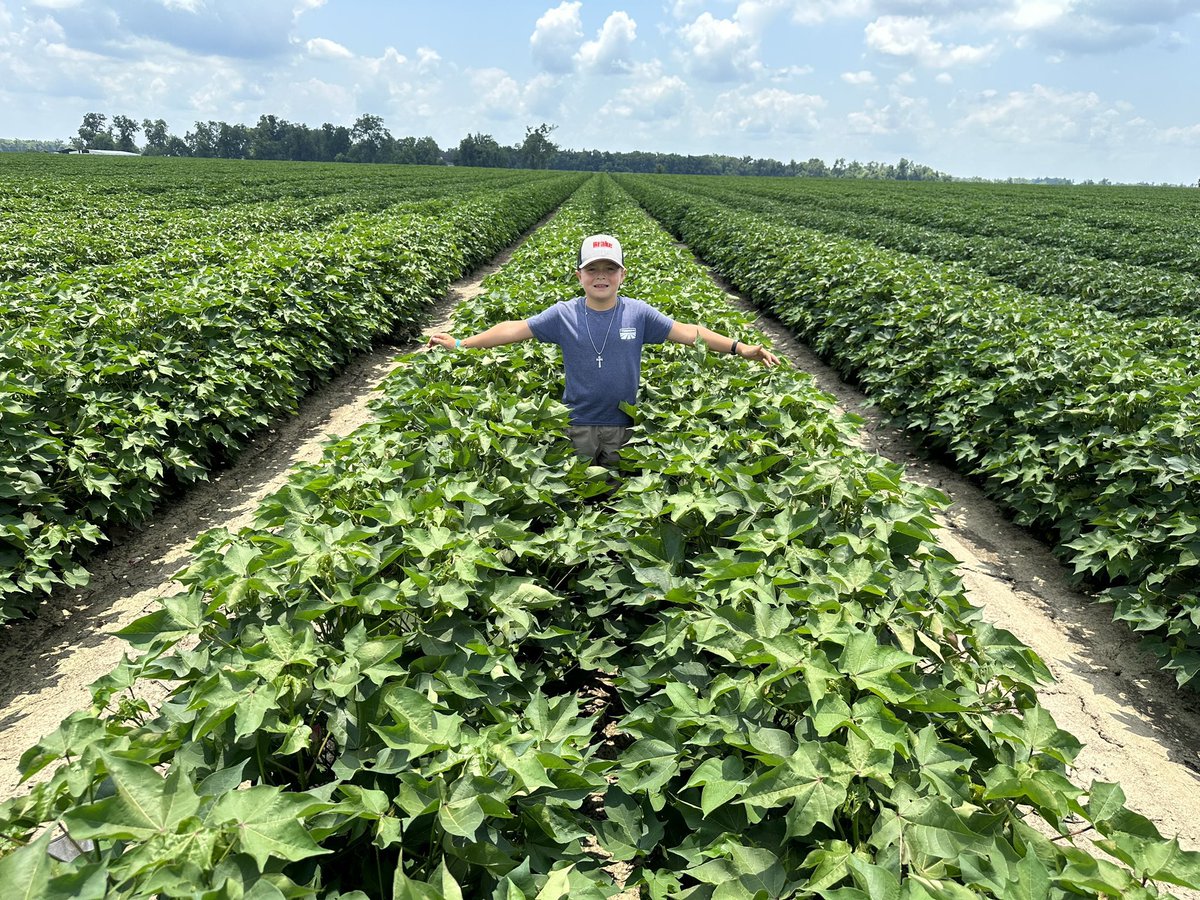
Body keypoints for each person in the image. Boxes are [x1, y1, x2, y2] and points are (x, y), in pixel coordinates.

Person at [427, 233, 779, 467]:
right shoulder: (563, 314)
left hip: (624, 427)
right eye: (592, 269)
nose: (601, 276)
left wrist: (740, 348)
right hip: (576, 424)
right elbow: (514, 329)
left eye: (609, 269)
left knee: (617, 500)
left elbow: (689, 332)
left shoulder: (638, 313)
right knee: (580, 494)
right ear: (579, 275)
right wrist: (461, 343)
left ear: (622, 275)